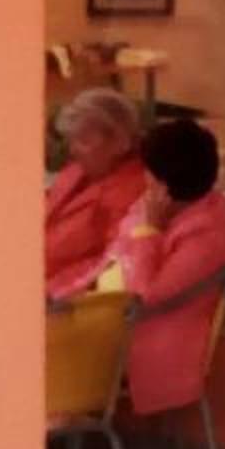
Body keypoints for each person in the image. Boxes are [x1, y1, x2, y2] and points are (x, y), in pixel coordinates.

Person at [73, 117, 225, 417]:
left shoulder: (206, 239)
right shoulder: (155, 207)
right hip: (97, 320)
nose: (143, 179)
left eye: (147, 173)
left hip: (136, 341)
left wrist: (149, 231)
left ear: (162, 185)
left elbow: (143, 298)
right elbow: (111, 257)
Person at [44, 89, 147, 295]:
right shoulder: (78, 170)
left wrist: (48, 292)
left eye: (84, 141)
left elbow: (108, 265)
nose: (73, 150)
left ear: (120, 143)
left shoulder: (134, 194)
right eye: (71, 139)